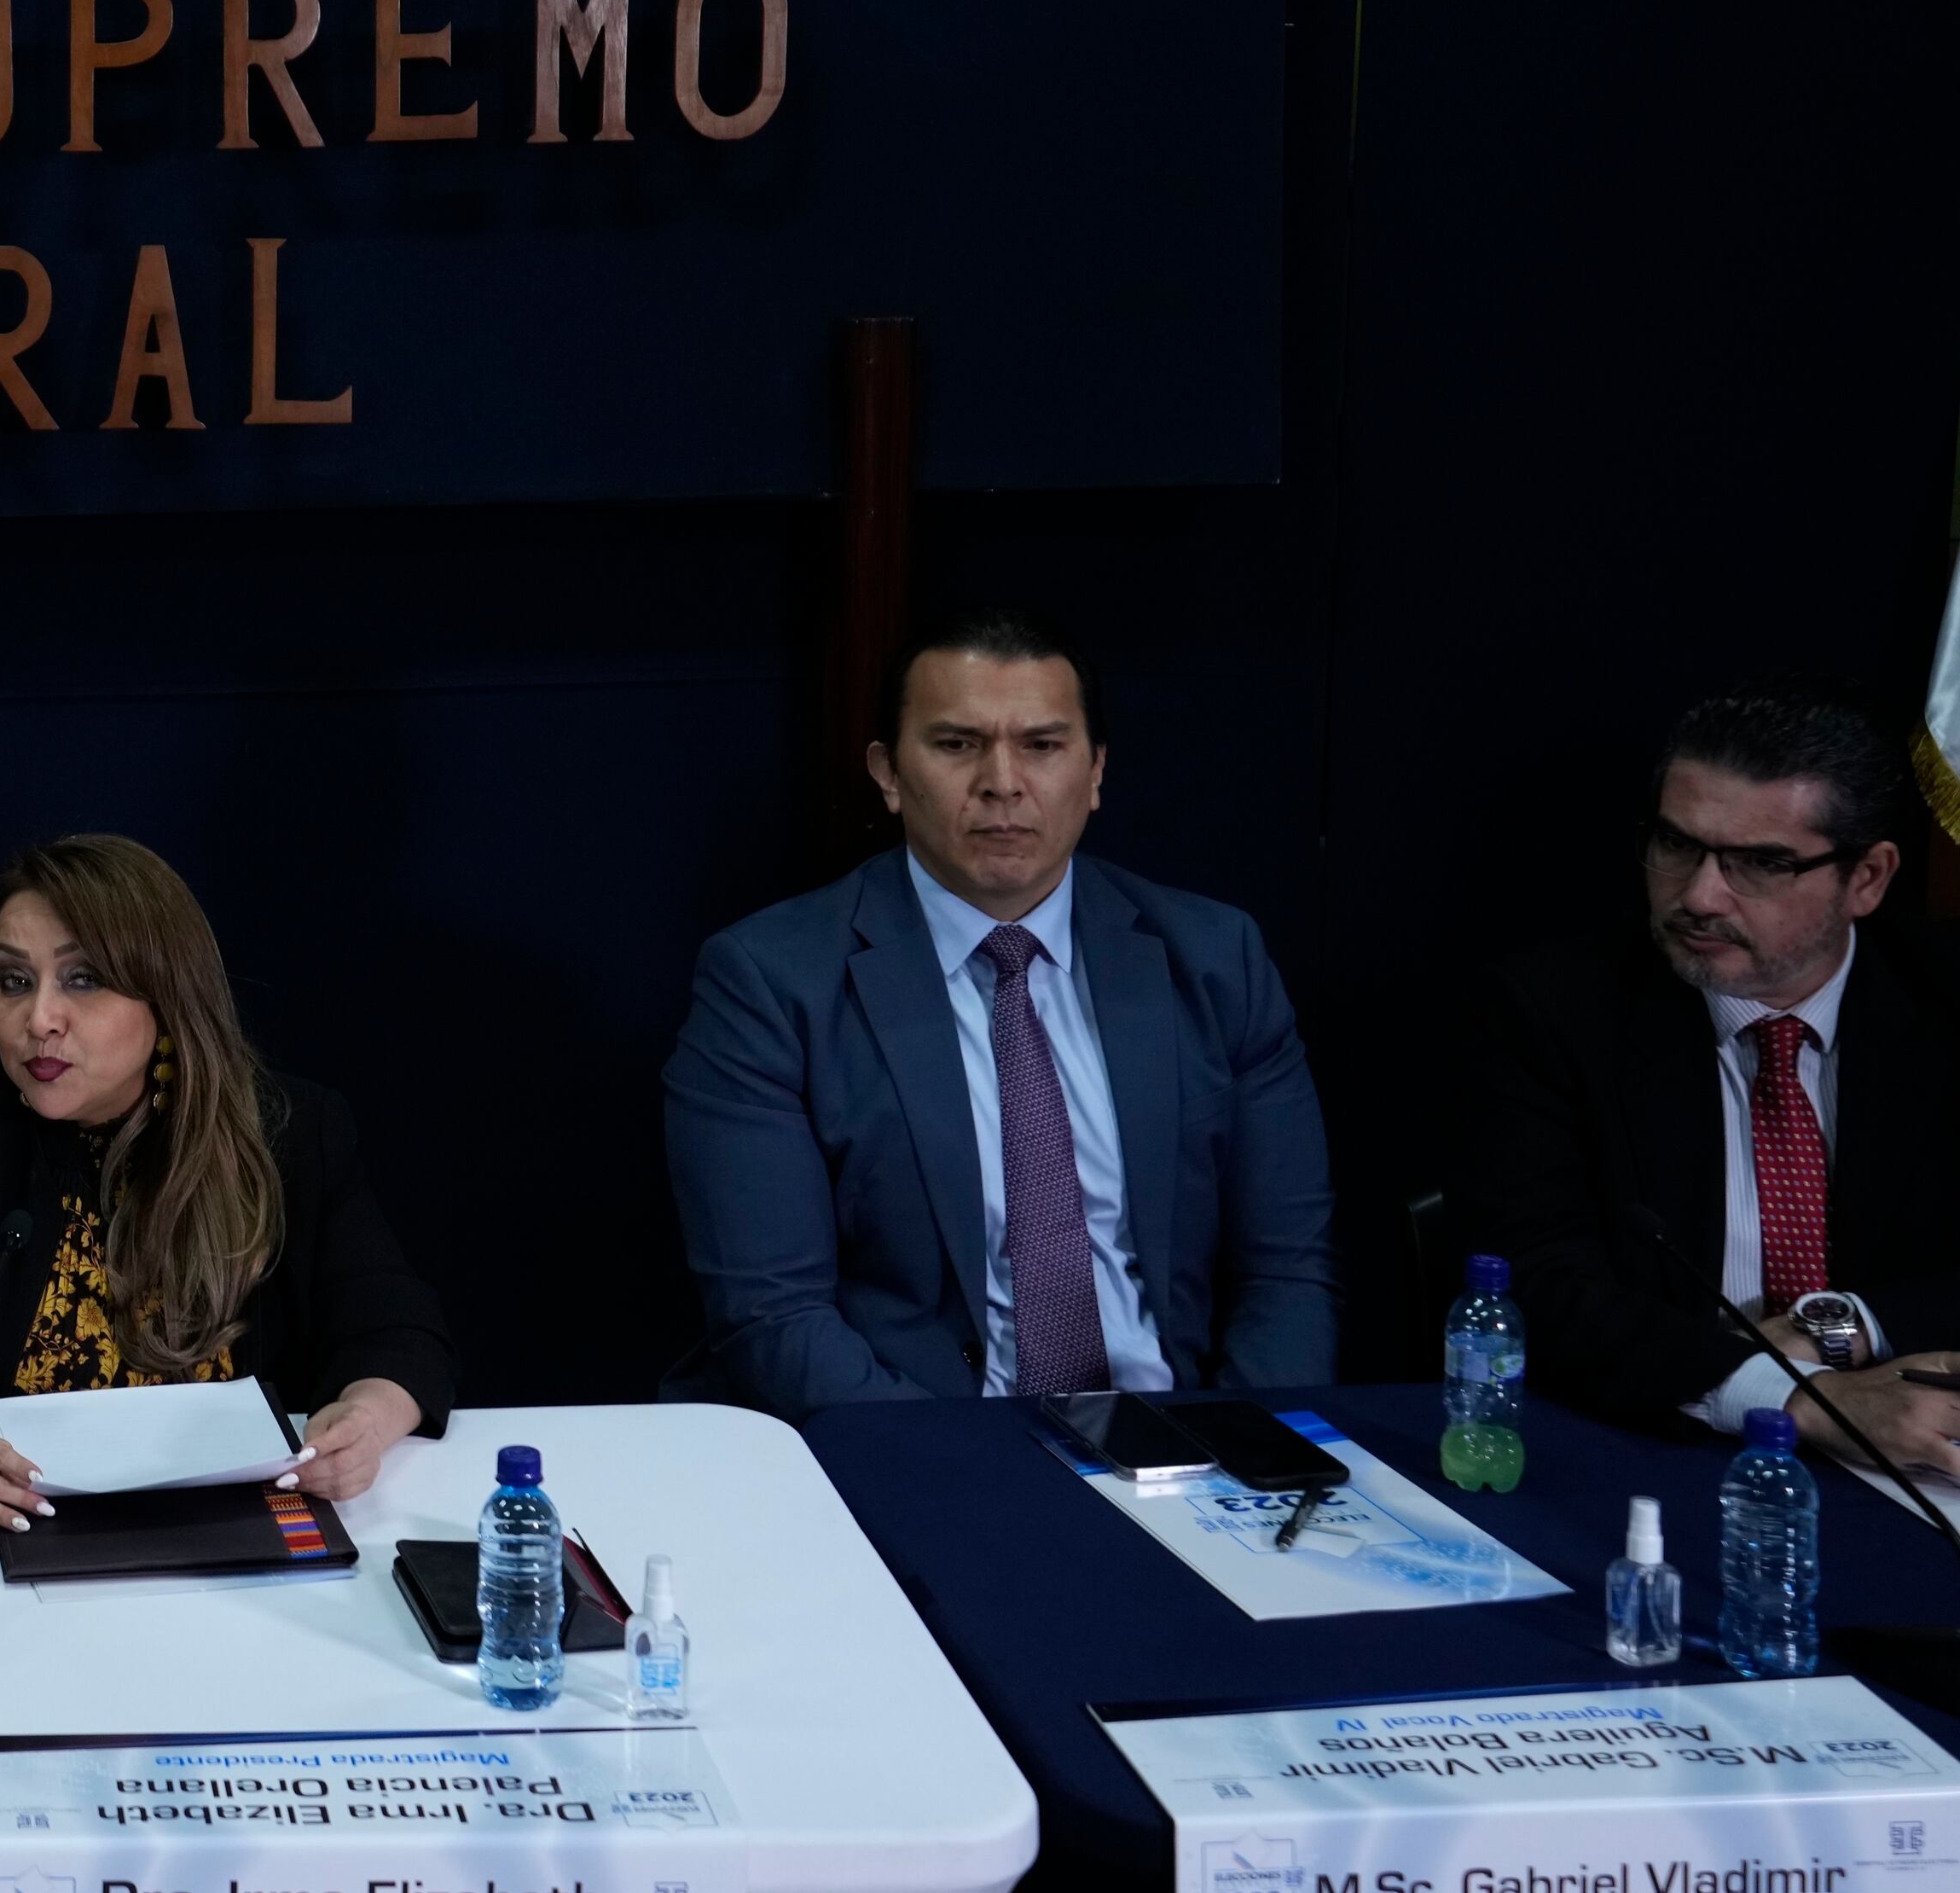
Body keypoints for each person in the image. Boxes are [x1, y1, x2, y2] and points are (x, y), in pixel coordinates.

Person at [663, 611, 1336, 1418]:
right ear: (887, 773)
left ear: (1095, 771)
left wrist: (1237, 1452)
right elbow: (774, 1319)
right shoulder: (769, 981)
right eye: (957, 744)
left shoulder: (1217, 959)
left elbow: (1287, 1274)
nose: (1003, 783)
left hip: (1179, 1443)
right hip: (909, 1443)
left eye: (1042, 745)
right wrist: (974, 1469)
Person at [0, 833, 453, 1546]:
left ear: (167, 996)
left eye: (82, 979)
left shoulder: (290, 1135)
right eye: (14, 981)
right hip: (10, 1534)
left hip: (242, 1531)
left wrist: (365, 1423)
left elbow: (400, 1335)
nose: (39, 1019)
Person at [1458, 686, 1960, 1461]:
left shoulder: (1945, 1000)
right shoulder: (1554, 1012)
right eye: (1677, 845)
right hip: (1660, 1444)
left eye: (1760, 863)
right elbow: (1538, 1286)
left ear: (1867, 878)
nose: (1697, 895)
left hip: (1920, 1454)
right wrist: (1797, 1398)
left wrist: (1843, 1325)